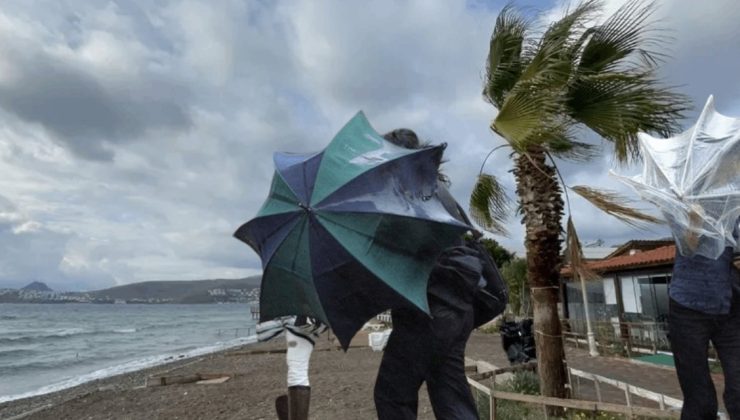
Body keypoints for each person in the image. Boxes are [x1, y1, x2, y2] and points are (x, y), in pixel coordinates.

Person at [373, 128, 507, 420]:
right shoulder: (436, 190)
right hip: (460, 310)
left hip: (428, 311)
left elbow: (400, 255)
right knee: (450, 394)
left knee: (392, 395)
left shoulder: (403, 195)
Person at [668, 216, 740, 420]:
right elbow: (687, 247)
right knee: (699, 397)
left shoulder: (733, 203)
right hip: (687, 306)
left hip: (730, 303)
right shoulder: (681, 199)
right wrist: (695, 219)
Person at [256, 315, 326, 420]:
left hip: (301, 321)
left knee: (297, 371)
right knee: (296, 369)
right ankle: (292, 411)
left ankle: (294, 413)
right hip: (299, 320)